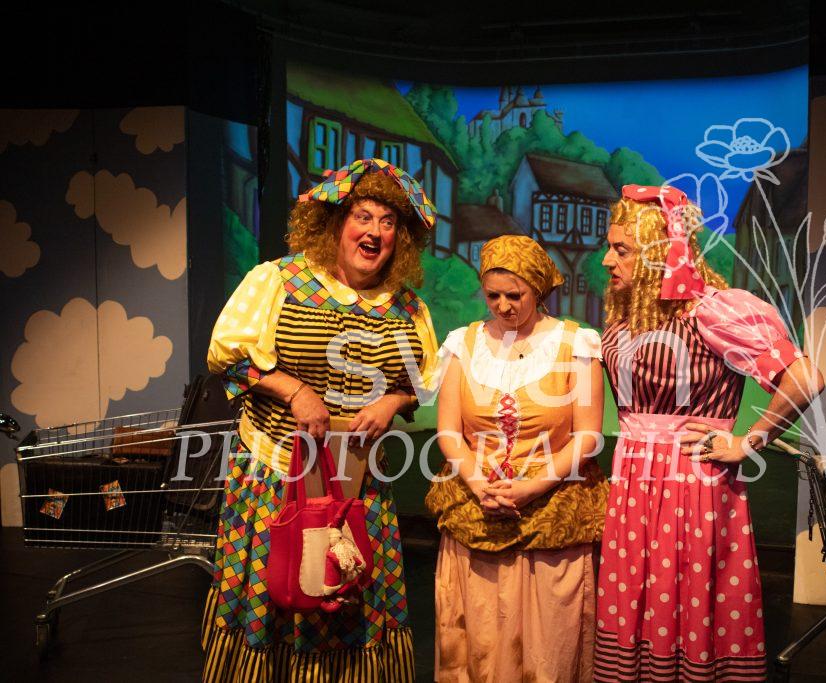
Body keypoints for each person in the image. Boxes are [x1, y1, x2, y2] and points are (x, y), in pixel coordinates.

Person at [203, 158, 439, 682]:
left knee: (347, 595)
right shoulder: (279, 281)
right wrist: (294, 391)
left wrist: (392, 402)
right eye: (363, 216)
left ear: (400, 238)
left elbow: (422, 382)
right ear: (336, 222)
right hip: (276, 474)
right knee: (278, 589)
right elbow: (227, 356)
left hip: (358, 482)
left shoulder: (407, 308)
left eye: (388, 222)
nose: (375, 232)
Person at [594, 184, 824, 681]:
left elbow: (805, 378)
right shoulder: (629, 315)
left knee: (688, 593)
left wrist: (748, 441)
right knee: (638, 595)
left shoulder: (712, 311)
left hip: (690, 483)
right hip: (634, 480)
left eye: (621, 249)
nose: (607, 260)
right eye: (609, 247)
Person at [425, 235, 609, 682]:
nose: (503, 306)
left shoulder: (576, 344)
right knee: (480, 640)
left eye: (515, 295)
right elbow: (449, 431)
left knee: (548, 648)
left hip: (552, 511)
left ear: (538, 289)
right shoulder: (463, 343)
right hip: (478, 507)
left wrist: (532, 486)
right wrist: (477, 483)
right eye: (493, 296)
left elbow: (588, 436)